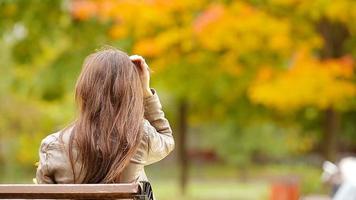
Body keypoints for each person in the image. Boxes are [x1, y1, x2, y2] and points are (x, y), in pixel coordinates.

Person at [36, 47, 175, 184]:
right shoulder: (139, 136)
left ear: (85, 89)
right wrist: (145, 92)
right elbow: (167, 139)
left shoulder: (52, 146)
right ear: (128, 94)